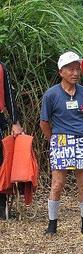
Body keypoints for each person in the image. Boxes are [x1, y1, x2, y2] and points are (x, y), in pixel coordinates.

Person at [40, 51, 83, 236]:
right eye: (70, 69)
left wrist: (82, 134)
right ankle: (52, 225)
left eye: (77, 69)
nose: (75, 73)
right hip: (60, 140)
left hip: (82, 140)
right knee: (57, 184)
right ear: (61, 72)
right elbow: (44, 122)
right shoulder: (51, 95)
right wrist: (54, 139)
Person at [0, 61, 23, 219]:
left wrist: (15, 122)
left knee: (1, 164)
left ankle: (1, 206)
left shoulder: (1, 67)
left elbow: (9, 94)